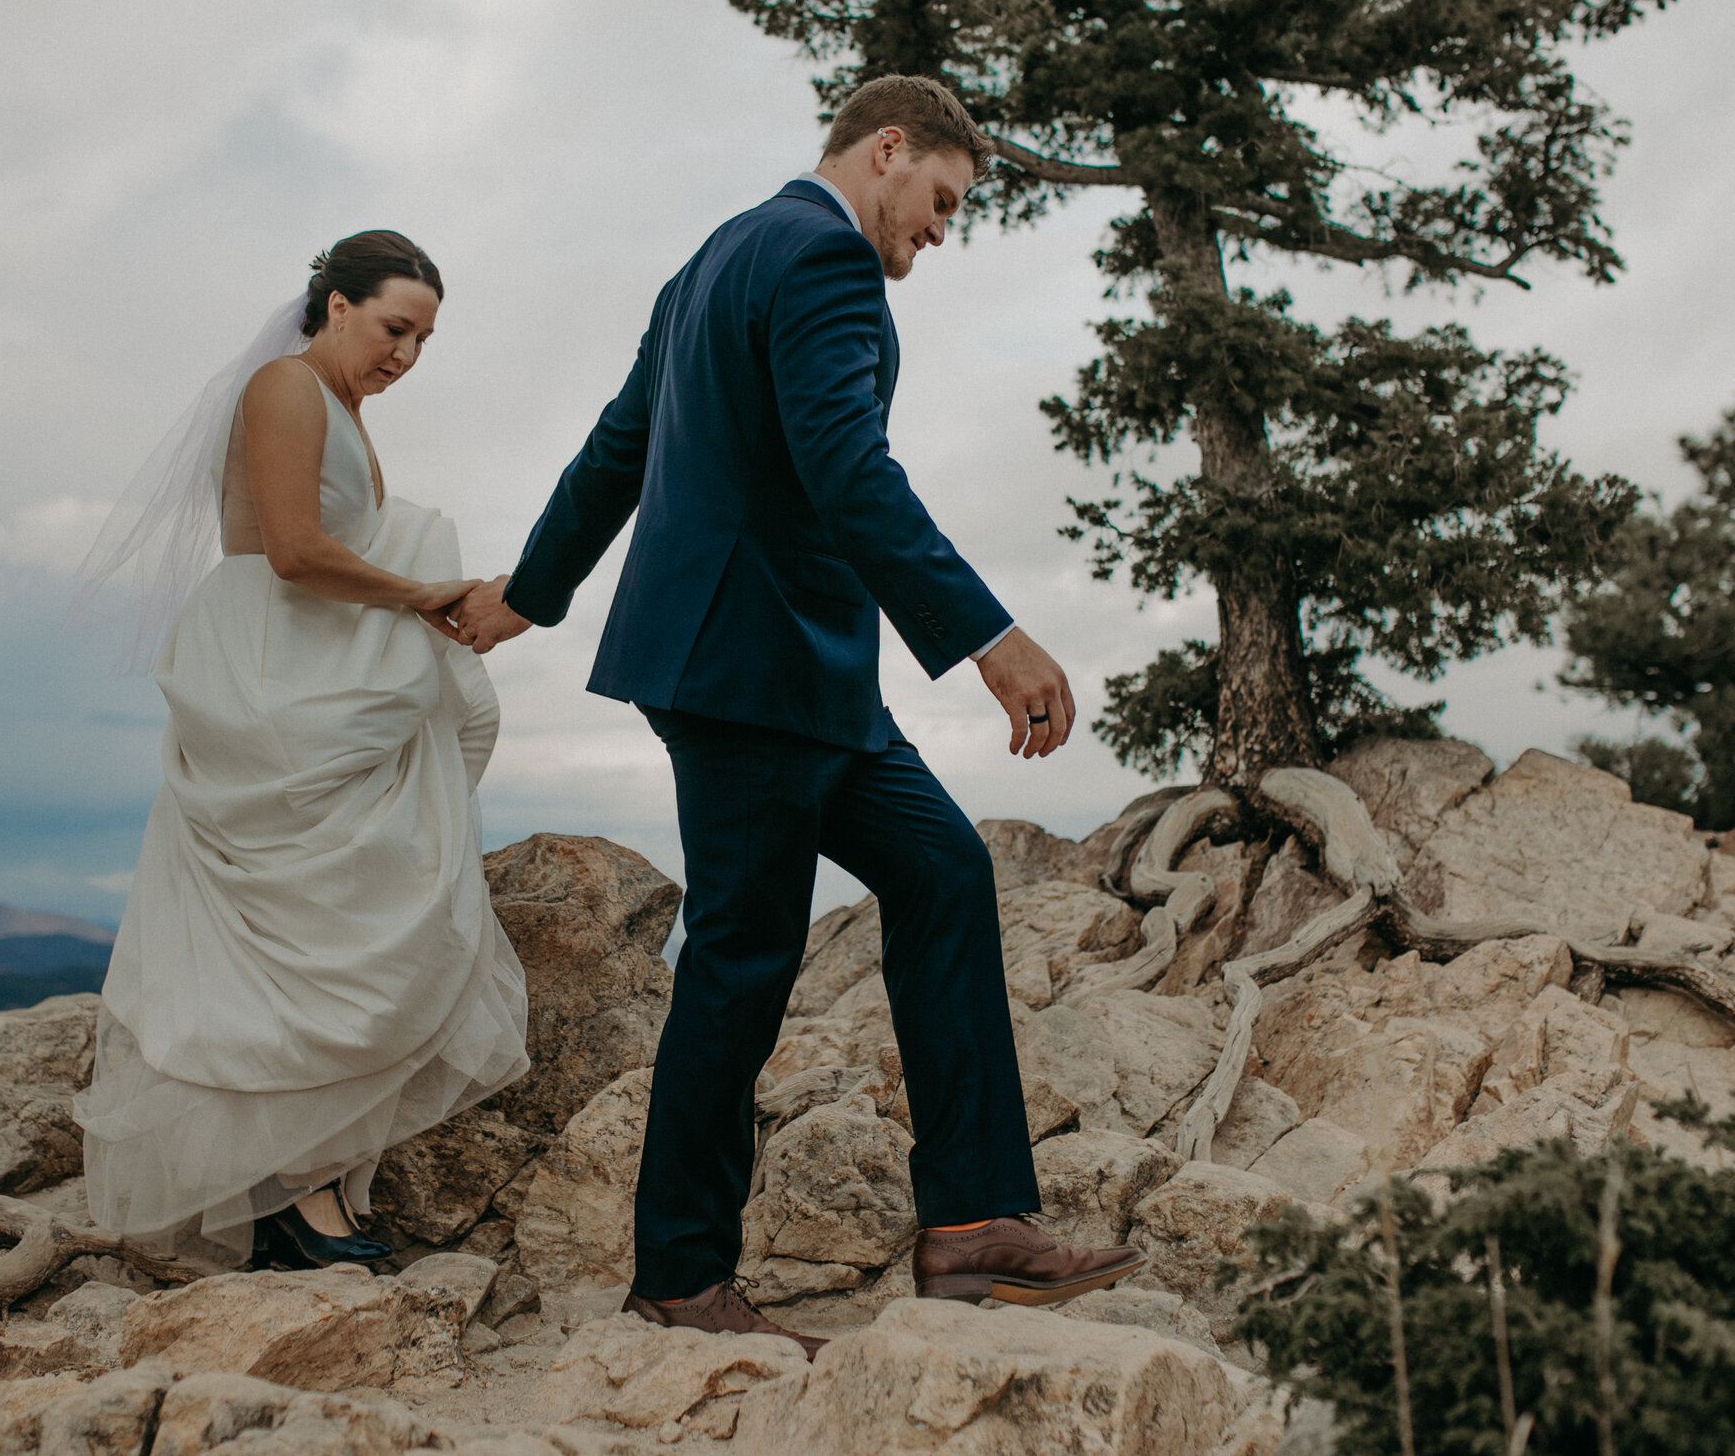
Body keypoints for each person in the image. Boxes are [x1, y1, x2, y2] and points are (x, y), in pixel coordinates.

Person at [450, 77, 1144, 1354]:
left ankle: (974, 1225)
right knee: (743, 958)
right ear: (887, 149)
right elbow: (845, 465)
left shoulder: (713, 255)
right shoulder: (825, 257)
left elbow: (620, 443)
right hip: (748, 667)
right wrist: (991, 637)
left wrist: (530, 596)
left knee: (942, 870)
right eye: (939, 201)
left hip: (800, 675)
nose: (939, 232)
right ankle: (679, 1273)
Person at [70, 232, 528, 1267]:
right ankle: (287, 1190)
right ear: (332, 305)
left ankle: (302, 1180)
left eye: (424, 338)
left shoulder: (349, 413)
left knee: (335, 916)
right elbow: (290, 548)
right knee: (296, 924)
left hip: (310, 654)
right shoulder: (285, 385)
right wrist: (428, 594)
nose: (407, 354)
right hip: (273, 664)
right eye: (393, 326)